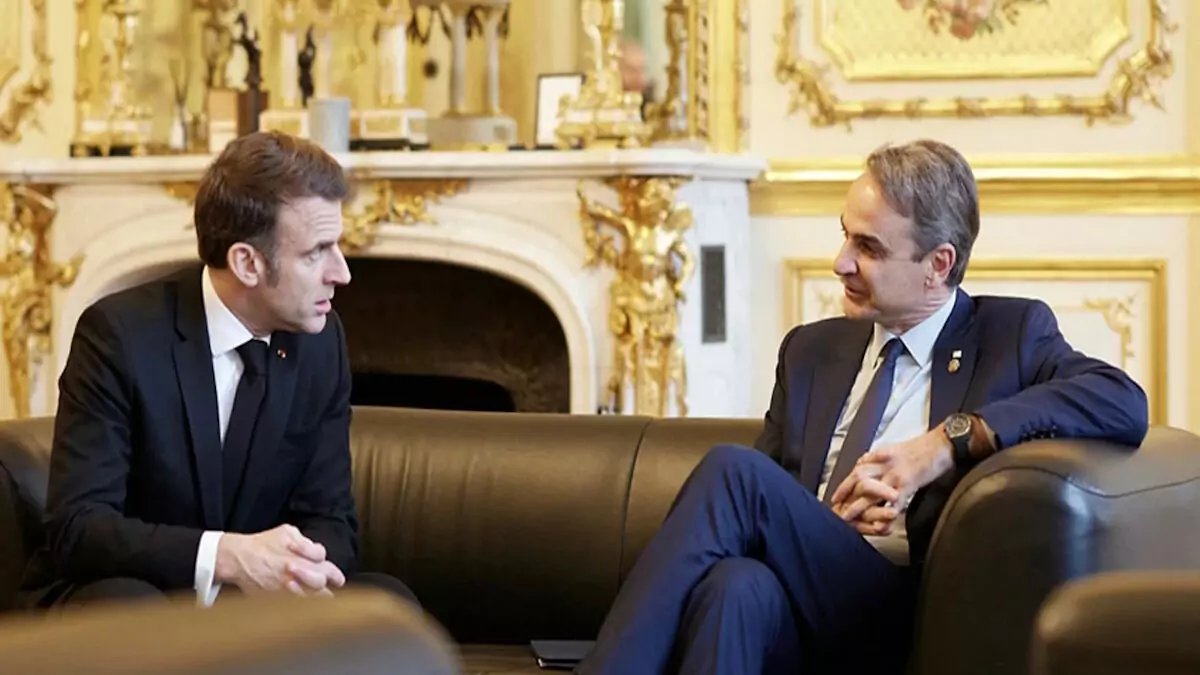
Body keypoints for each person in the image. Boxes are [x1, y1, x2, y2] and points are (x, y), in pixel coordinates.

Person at [576, 139, 1149, 675]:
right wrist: (821, 523)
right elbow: (765, 510)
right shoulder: (811, 351)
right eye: (846, 236)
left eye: (868, 248)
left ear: (939, 264)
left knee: (733, 473)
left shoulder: (1009, 335)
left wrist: (944, 444)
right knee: (736, 586)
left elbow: (1120, 399)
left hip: (903, 612)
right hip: (807, 601)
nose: (841, 263)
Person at [18, 131, 416, 610]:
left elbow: (331, 518)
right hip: (138, 595)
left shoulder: (320, 341)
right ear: (247, 263)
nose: (342, 273)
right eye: (317, 252)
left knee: (389, 603)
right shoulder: (120, 336)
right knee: (133, 605)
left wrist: (296, 569)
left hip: (256, 605)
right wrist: (225, 558)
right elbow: (79, 529)